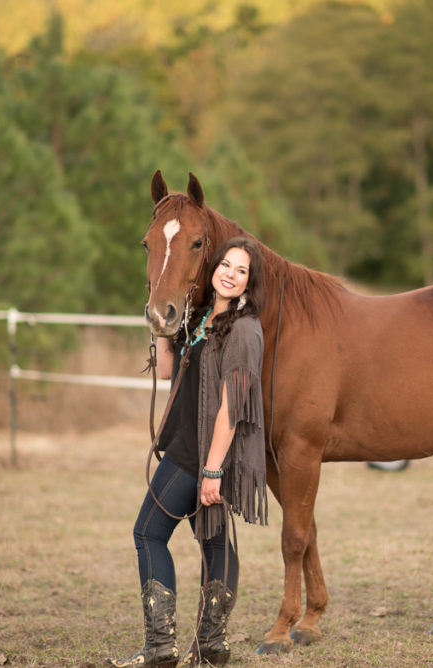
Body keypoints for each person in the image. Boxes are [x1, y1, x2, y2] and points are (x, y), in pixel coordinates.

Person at [110, 237, 269, 668]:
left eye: (242, 271)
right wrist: (160, 323)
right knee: (213, 541)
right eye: (226, 265)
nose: (231, 274)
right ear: (213, 268)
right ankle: (211, 646)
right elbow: (166, 370)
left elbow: (232, 408)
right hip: (187, 442)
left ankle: (161, 647)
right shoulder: (201, 318)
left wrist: (213, 470)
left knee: (148, 533)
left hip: (201, 454)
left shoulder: (244, 329)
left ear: (250, 283)